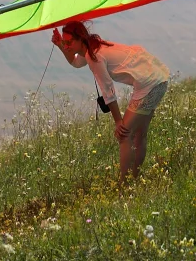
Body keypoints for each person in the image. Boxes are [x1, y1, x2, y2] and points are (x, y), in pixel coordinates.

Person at [51, 21, 169, 185]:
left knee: (124, 135)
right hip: (159, 79)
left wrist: (118, 121)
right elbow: (76, 63)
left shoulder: (95, 57)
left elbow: (108, 92)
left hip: (148, 85)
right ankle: (133, 181)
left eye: (69, 42)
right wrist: (60, 46)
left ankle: (124, 185)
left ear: (80, 39)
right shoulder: (95, 46)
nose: (67, 45)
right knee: (139, 134)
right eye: (65, 42)